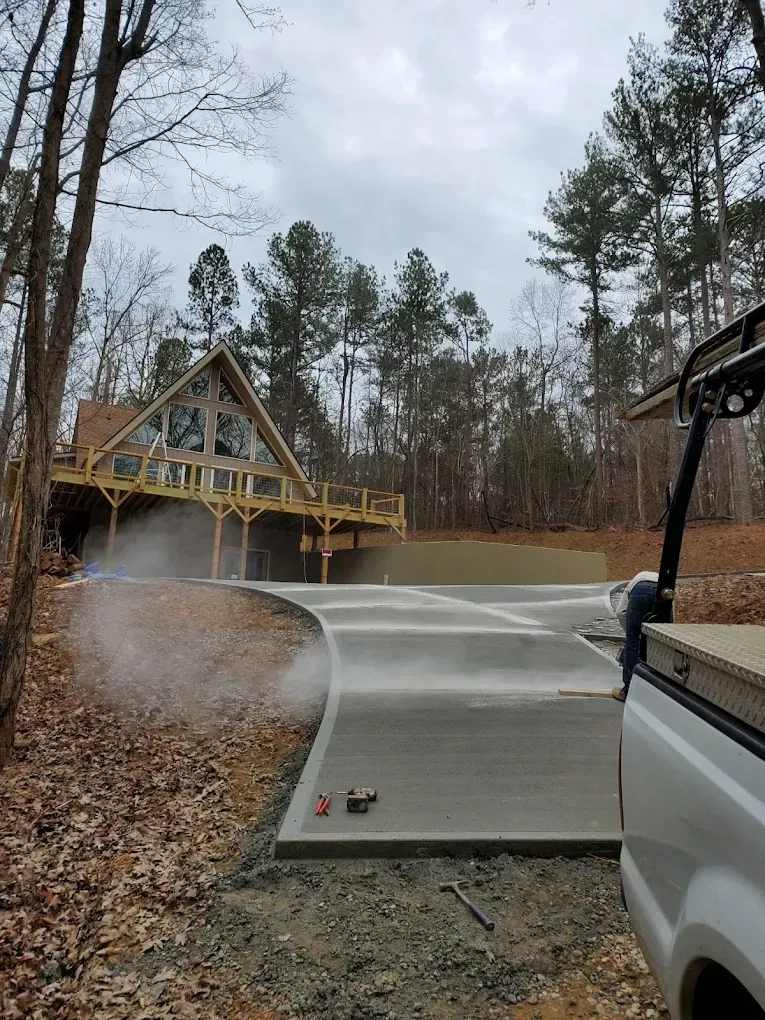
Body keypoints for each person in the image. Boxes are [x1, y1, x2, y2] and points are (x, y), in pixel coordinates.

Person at [612, 571, 664, 702]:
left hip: (640, 590)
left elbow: (620, 611)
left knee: (632, 643)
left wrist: (630, 633)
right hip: (663, 589)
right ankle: (656, 691)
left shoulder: (635, 581)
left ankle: (628, 691)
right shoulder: (657, 578)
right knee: (661, 645)